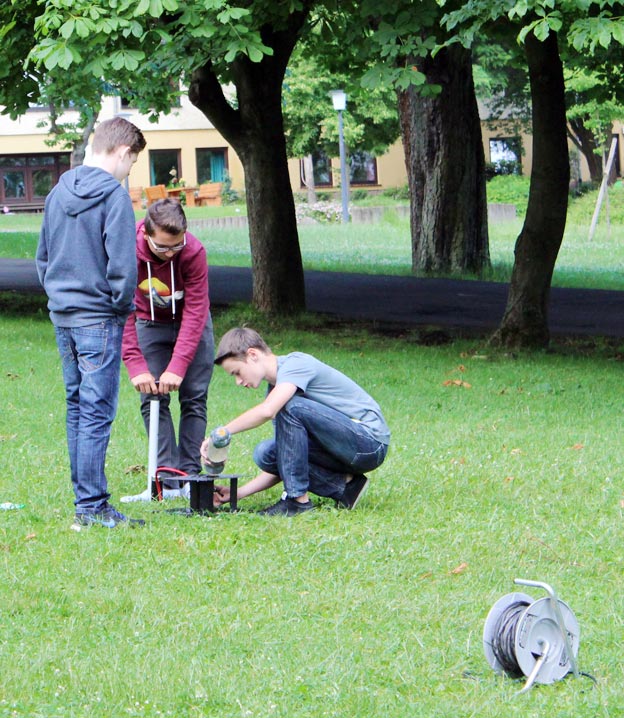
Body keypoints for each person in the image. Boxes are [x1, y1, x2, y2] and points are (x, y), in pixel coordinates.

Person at [36, 116, 147, 530]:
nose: (129, 171)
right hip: (98, 318)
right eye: (132, 162)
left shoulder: (56, 192)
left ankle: (86, 501)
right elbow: (123, 265)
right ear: (121, 152)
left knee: (77, 407)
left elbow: (42, 257)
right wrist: (119, 308)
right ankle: (92, 505)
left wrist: (58, 297)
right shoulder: (114, 197)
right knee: (96, 410)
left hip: (63, 315)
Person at [201, 327, 390, 516]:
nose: (238, 381)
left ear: (252, 355)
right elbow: (289, 455)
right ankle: (346, 487)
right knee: (267, 453)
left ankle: (297, 502)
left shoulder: (295, 364)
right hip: (344, 449)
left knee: (288, 406)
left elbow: (267, 410)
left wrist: (223, 432)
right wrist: (238, 493)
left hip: (369, 443)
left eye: (237, 372)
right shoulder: (277, 389)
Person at [121, 199, 214, 502]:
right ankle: (164, 481)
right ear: (146, 235)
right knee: (153, 398)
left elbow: (197, 309)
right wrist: (136, 364)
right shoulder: (126, 251)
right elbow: (120, 310)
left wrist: (178, 365)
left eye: (177, 245)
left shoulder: (194, 252)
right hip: (148, 322)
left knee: (194, 398)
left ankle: (189, 477)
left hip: (192, 323)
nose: (171, 253)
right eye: (163, 248)